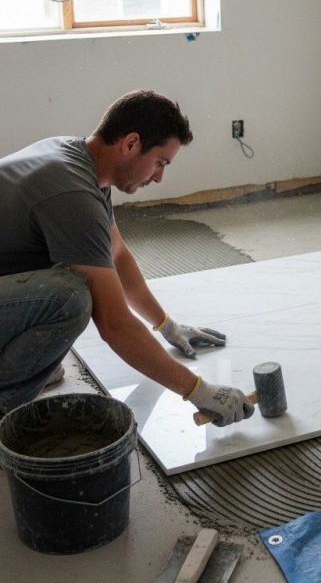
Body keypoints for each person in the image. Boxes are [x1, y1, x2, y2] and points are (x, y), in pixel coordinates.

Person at [0, 89, 254, 426]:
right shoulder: (72, 194)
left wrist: (167, 325)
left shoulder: (81, 162)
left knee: (72, 281)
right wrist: (198, 390)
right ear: (131, 143)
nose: (160, 176)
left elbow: (116, 255)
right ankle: (5, 409)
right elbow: (115, 325)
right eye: (160, 162)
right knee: (70, 297)